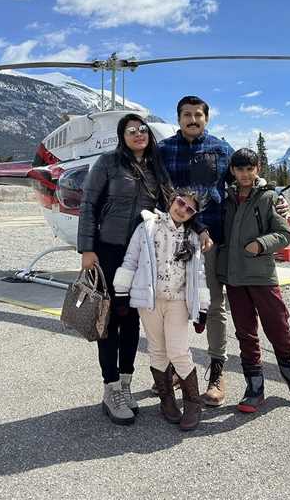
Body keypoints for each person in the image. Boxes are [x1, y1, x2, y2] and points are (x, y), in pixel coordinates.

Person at [78, 113, 172, 425]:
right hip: (108, 249)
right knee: (109, 318)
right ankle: (110, 389)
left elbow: (174, 205)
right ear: (123, 136)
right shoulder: (107, 163)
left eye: (143, 129)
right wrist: (87, 248)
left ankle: (126, 383)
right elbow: (89, 204)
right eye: (131, 130)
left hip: (142, 254)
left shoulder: (156, 167)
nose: (138, 134)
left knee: (132, 319)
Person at [217, 148, 290, 413]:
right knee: (245, 332)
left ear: (257, 169)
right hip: (234, 277)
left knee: (278, 325)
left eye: (250, 169)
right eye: (239, 169)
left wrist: (261, 244)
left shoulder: (270, 197)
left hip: (261, 275)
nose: (245, 174)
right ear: (233, 171)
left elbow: (284, 234)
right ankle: (254, 385)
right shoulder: (227, 199)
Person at [157, 96, 234, 406]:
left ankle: (216, 372)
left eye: (197, 115)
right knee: (174, 306)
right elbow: (161, 192)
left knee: (214, 306)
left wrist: (274, 200)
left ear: (206, 118)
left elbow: (244, 181)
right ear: (178, 119)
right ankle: (178, 369)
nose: (192, 119)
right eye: (186, 115)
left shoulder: (222, 150)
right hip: (173, 239)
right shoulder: (163, 151)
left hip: (211, 239)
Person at [113, 190, 209, 431]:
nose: (182, 209)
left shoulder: (193, 236)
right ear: (171, 201)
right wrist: (122, 293)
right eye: (180, 203)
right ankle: (167, 400)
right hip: (150, 301)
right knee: (157, 350)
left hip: (178, 301)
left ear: (193, 215)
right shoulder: (147, 227)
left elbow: (199, 274)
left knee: (177, 350)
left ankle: (193, 402)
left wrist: (203, 308)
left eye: (190, 209)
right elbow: (131, 260)